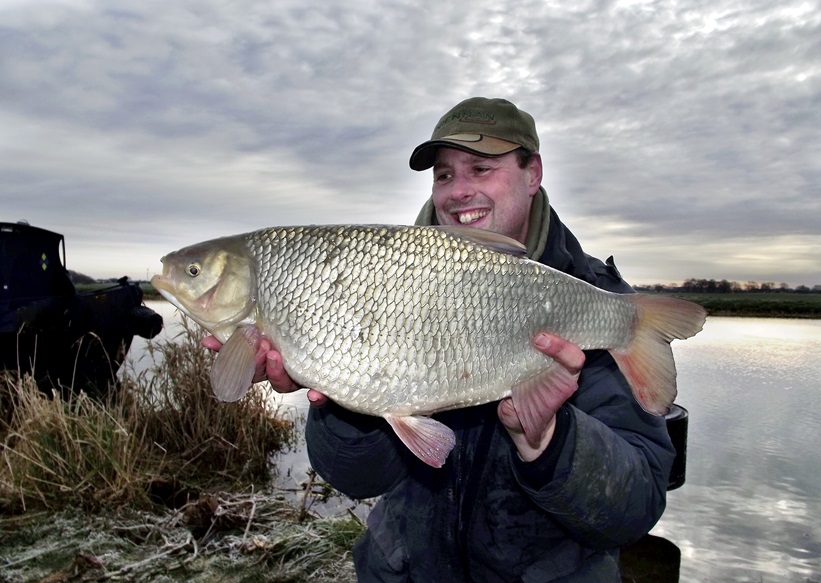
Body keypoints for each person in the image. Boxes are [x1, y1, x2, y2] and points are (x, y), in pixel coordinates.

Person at [205, 97, 675, 582]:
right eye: (445, 175)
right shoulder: (380, 279)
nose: (458, 191)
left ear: (532, 173)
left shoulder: (596, 301)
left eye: (480, 168)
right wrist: (345, 406)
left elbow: (636, 508)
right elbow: (355, 479)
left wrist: (549, 439)